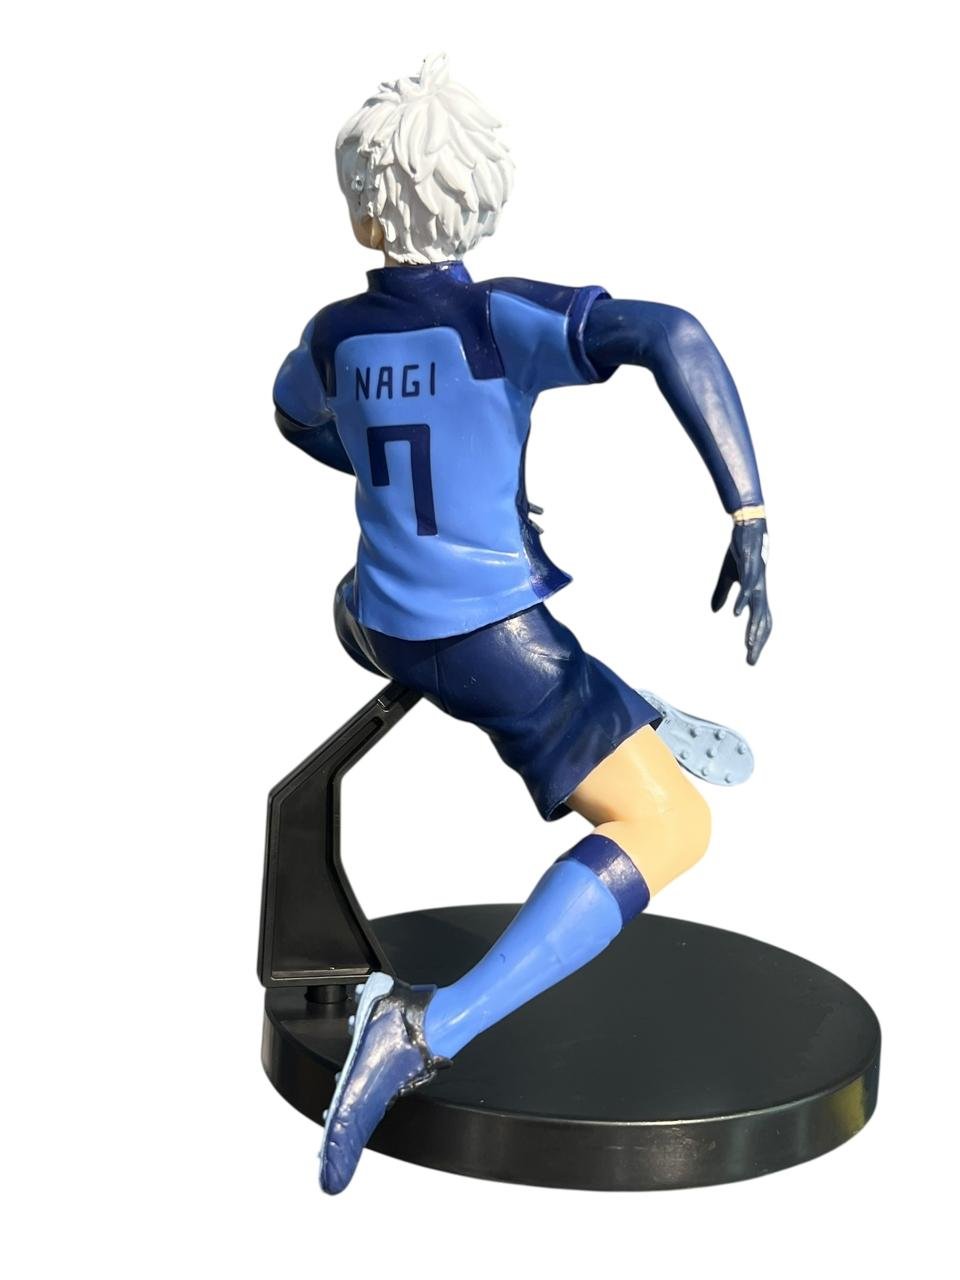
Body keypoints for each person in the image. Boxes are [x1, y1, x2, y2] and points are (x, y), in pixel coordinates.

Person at [272, 53, 772, 1195]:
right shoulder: (497, 320)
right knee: (674, 824)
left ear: (362, 209)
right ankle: (426, 1029)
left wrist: (404, 479)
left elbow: (294, 417)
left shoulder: (335, 334)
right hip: (489, 645)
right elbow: (675, 333)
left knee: (446, 628)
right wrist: (746, 509)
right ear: (482, 195)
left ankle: (614, 703)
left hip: (373, 617)